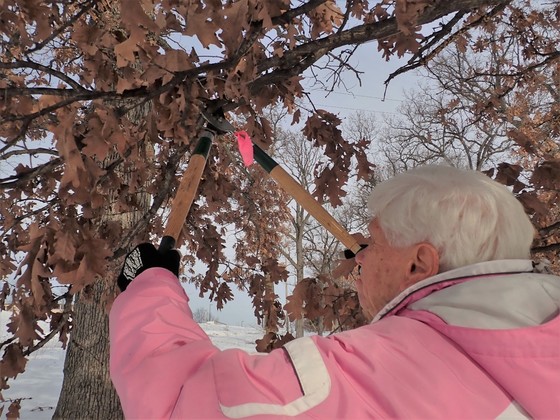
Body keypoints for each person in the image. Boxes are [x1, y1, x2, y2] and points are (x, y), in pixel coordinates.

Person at [109, 165, 560, 419]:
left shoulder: (360, 375)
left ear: (419, 264)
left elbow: (176, 405)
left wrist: (150, 286)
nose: (357, 258)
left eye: (373, 243)